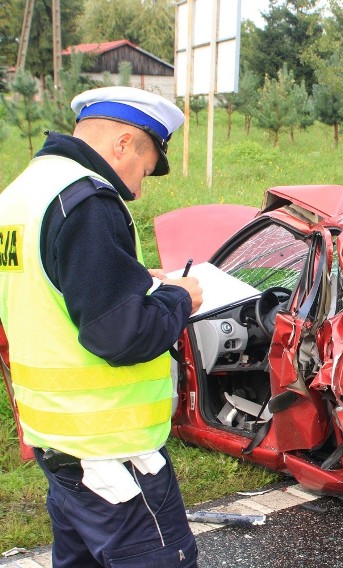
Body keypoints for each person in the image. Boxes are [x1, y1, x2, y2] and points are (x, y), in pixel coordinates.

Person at [0, 86, 203, 567]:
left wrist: (131, 281)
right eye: (146, 168)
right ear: (124, 143)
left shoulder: (21, 194)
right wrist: (181, 295)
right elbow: (121, 335)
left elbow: (48, 290)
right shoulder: (87, 201)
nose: (138, 189)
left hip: (57, 441)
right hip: (111, 452)